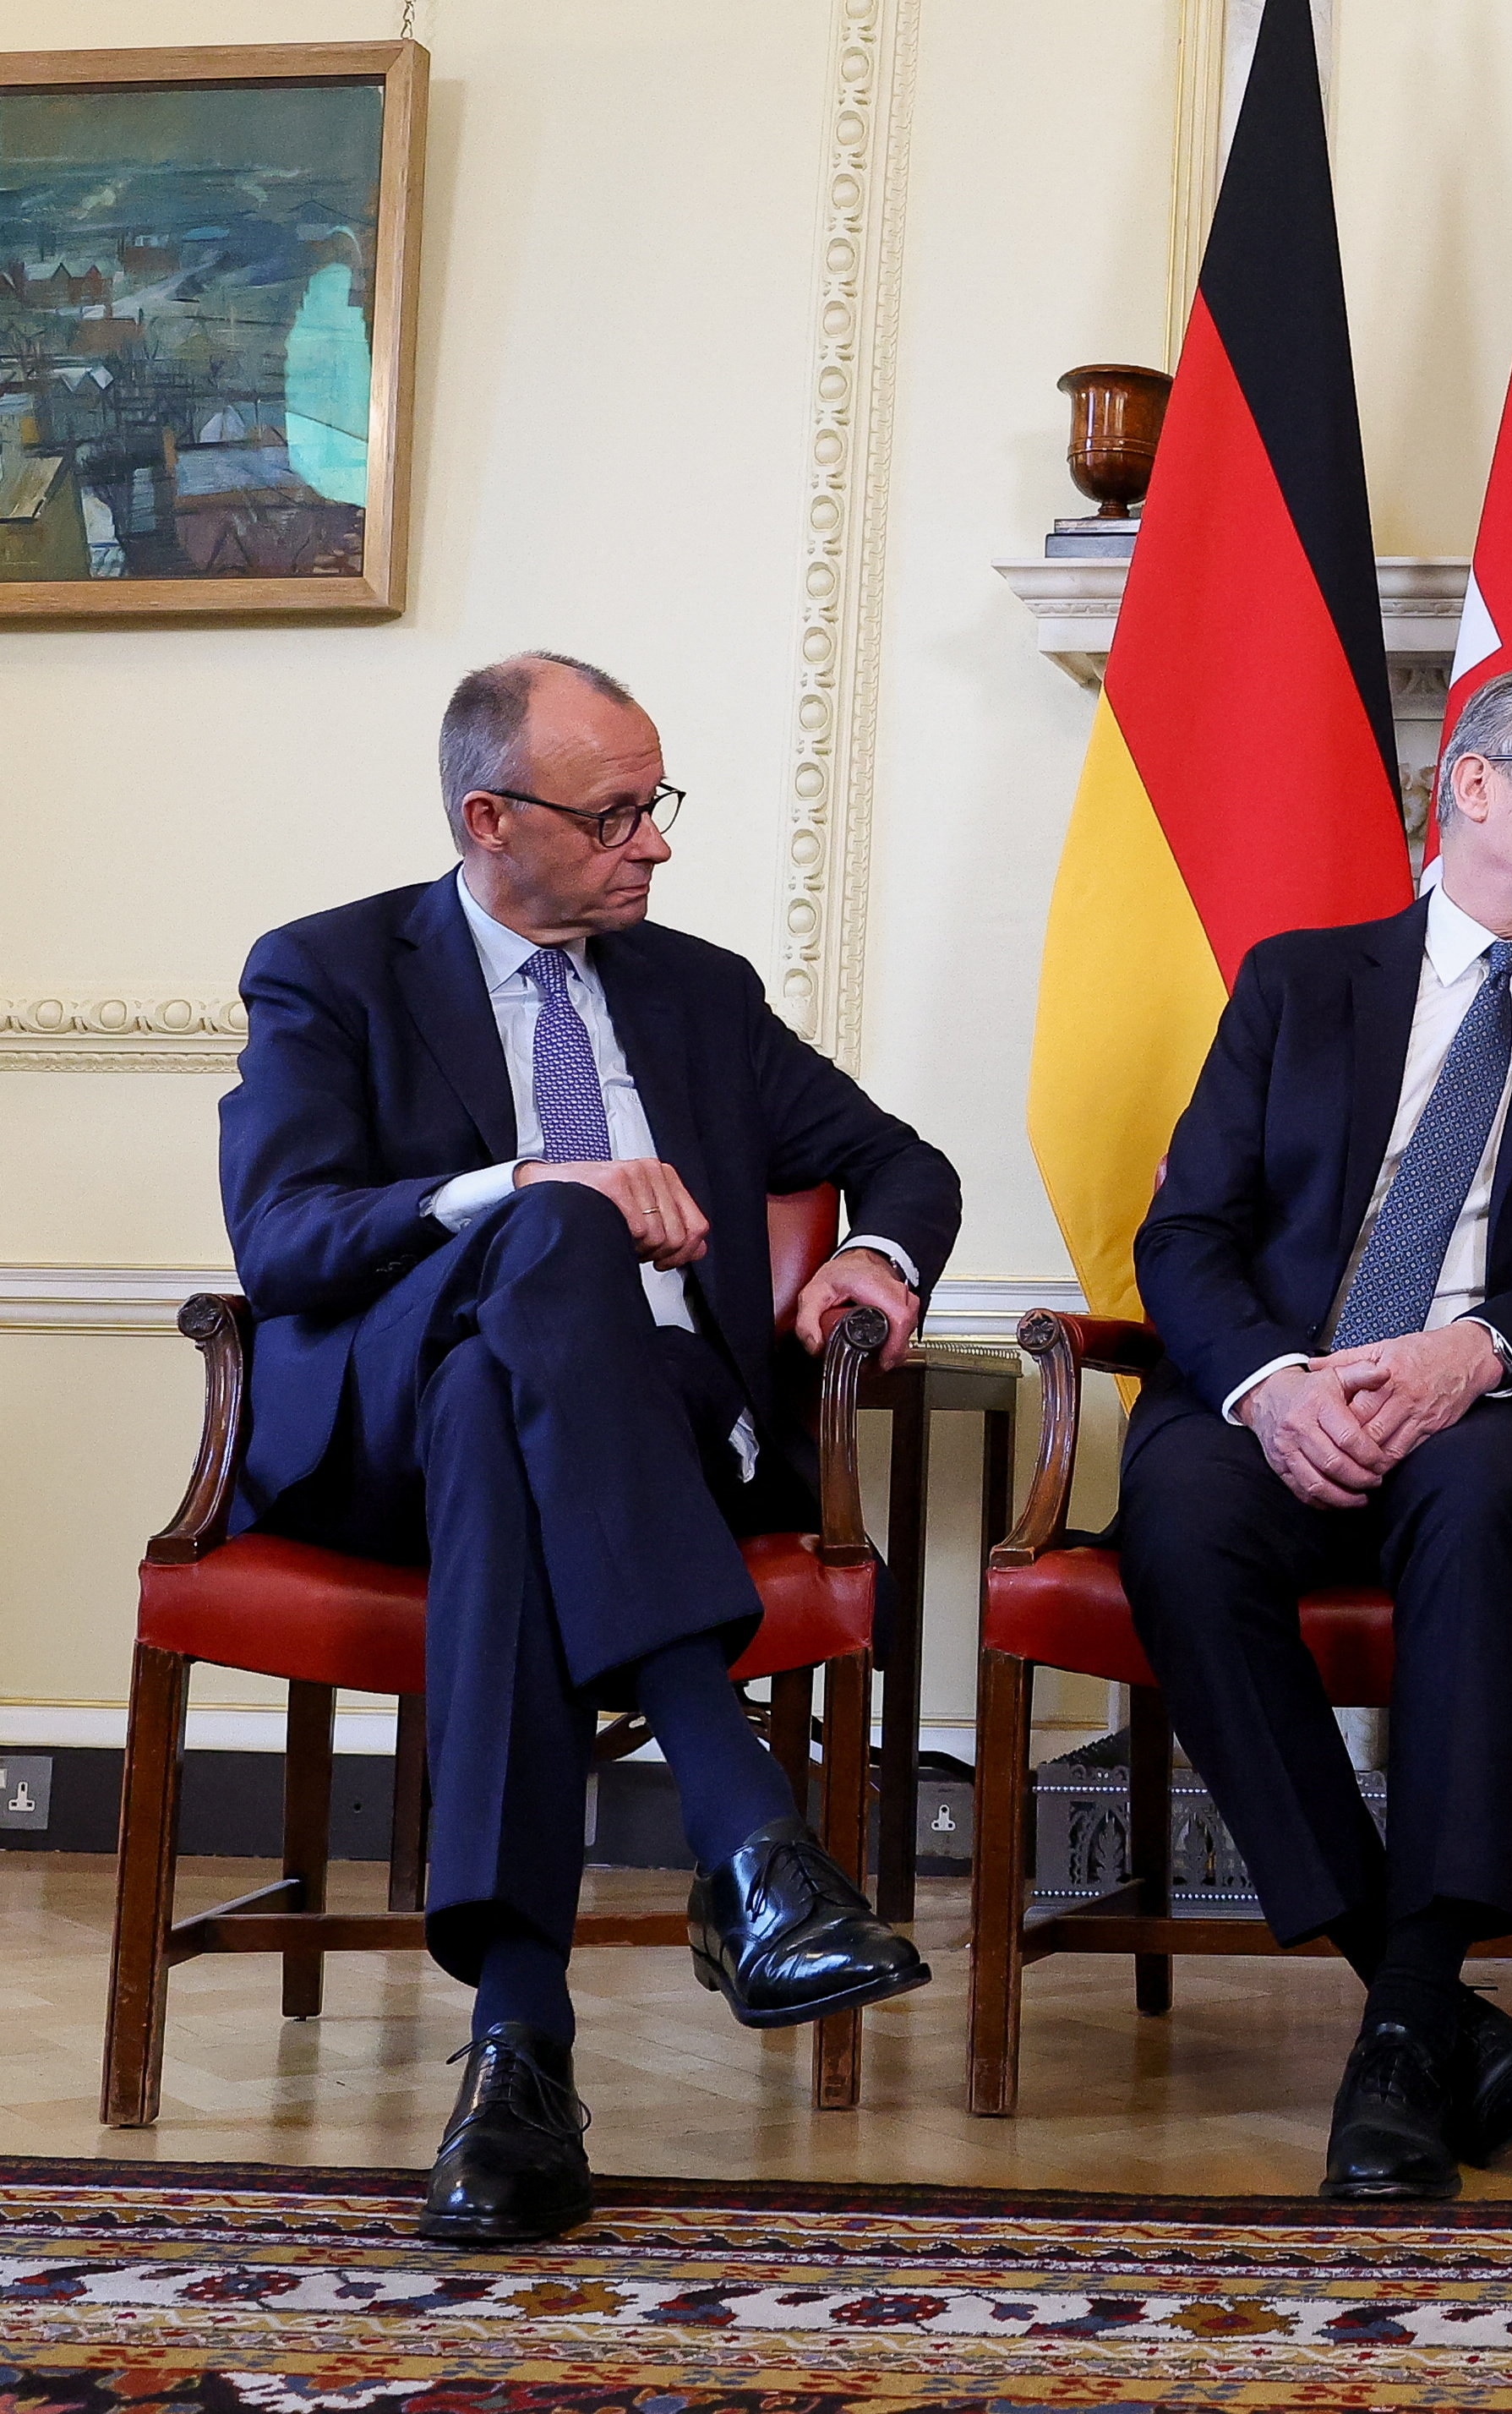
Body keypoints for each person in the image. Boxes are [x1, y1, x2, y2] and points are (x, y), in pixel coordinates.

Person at [221, 653, 961, 2245]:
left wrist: (877, 1260)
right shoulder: (330, 972)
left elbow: (902, 1158)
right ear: (490, 818)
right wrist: (526, 1184)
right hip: (389, 1436)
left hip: (662, 1423)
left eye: (657, 803)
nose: (658, 843)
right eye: (619, 814)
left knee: (518, 1417)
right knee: (540, 1266)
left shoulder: (698, 991)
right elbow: (282, 1238)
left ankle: (520, 2051)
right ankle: (748, 1835)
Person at [1117, 660, 1512, 2202]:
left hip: (1492, 1404)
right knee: (1174, 1513)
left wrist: (1478, 1348)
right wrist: (1274, 1381)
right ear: (1471, 784)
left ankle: (1404, 2011)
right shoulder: (1302, 980)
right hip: (1278, 1392)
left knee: (1472, 1495)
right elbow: (1184, 1234)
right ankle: (1422, 2001)